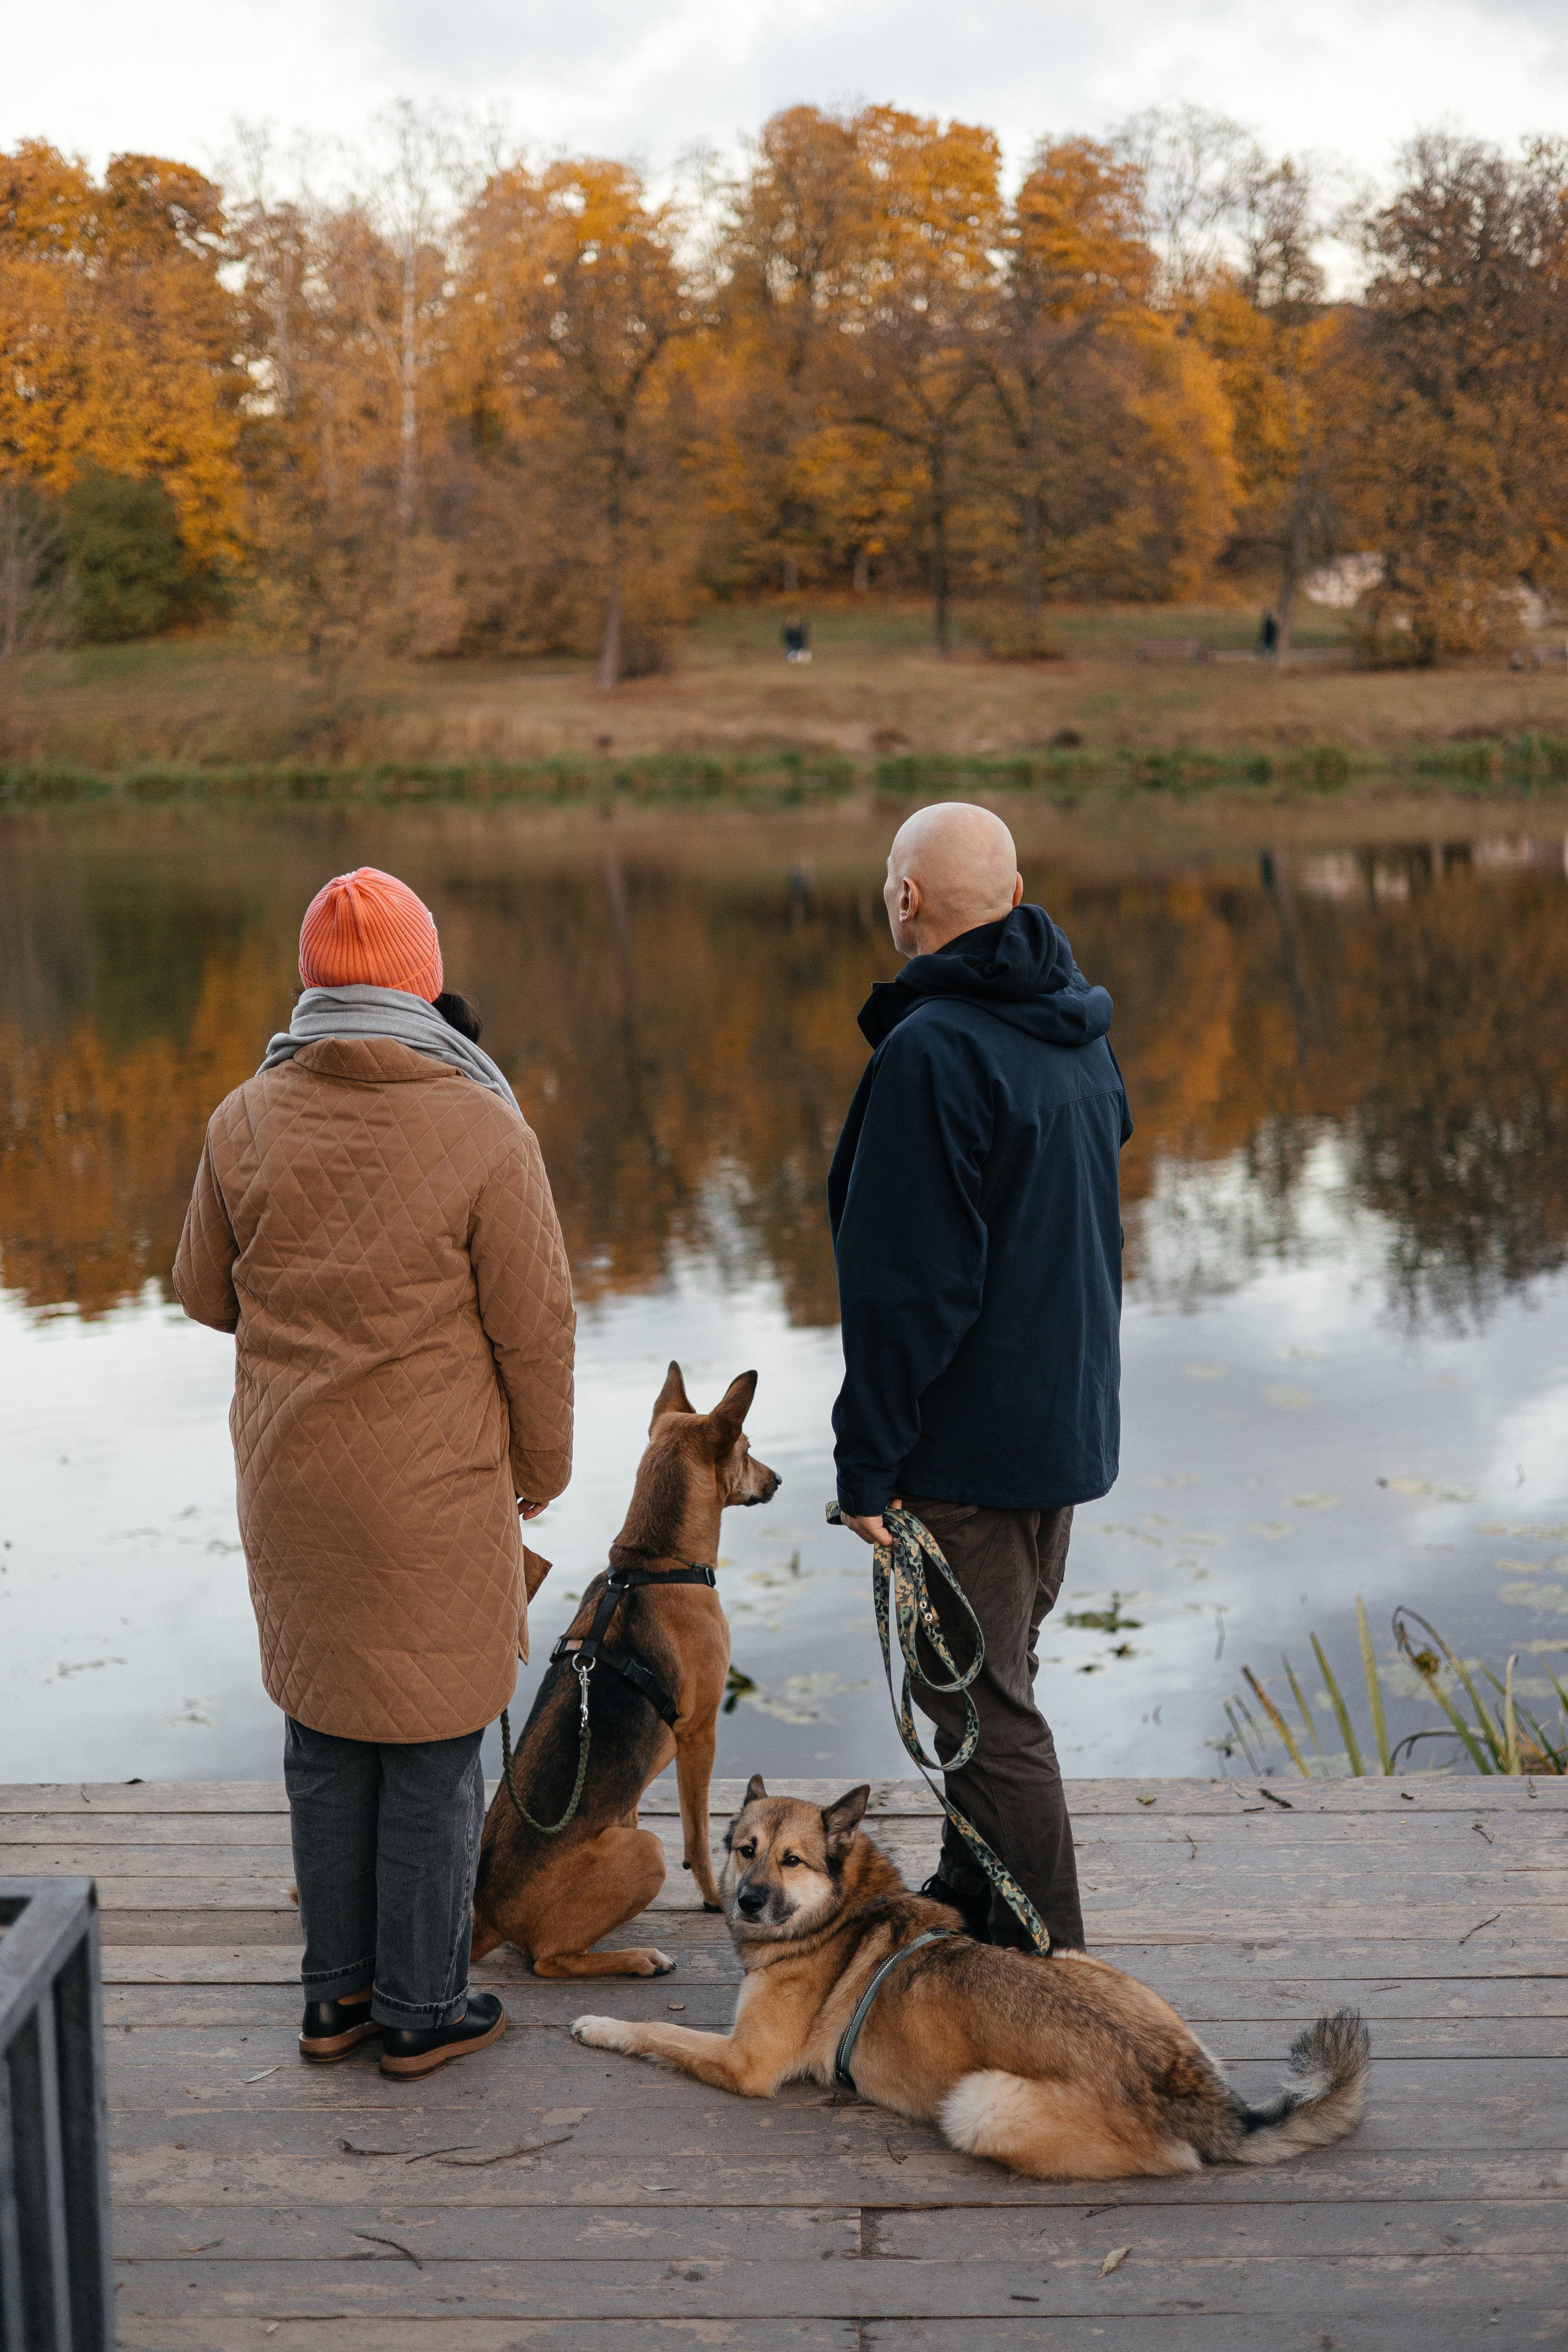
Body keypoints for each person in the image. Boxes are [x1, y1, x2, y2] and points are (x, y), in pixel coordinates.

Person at [173, 867, 575, 2076]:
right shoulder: (483, 1127)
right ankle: (419, 2008)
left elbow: (203, 1293)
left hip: (292, 1482)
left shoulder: (243, 1115)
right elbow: (535, 1330)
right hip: (437, 1482)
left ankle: (333, 2002)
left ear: (310, 982)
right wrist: (541, 1468)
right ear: (424, 981)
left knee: (326, 1735)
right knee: (436, 1747)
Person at [828, 804, 1131, 1955]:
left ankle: (1052, 1971)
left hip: (965, 1447)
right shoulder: (1077, 1029)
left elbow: (913, 1290)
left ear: (907, 901)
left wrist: (869, 1464)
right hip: (1060, 1429)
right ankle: (970, 1891)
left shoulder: (934, 1051)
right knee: (989, 1676)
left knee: (983, 1707)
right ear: (1014, 896)